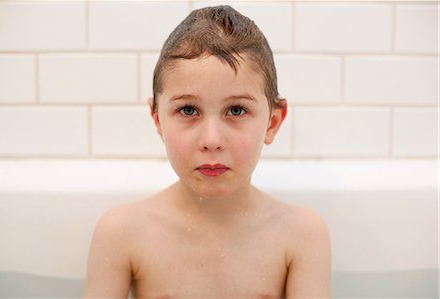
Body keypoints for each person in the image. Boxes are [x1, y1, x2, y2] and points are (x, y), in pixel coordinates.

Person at [83, 5, 330, 299]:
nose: (212, 140)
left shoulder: (301, 235)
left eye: (236, 110)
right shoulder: (122, 234)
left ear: (272, 122)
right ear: (158, 118)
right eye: (188, 110)